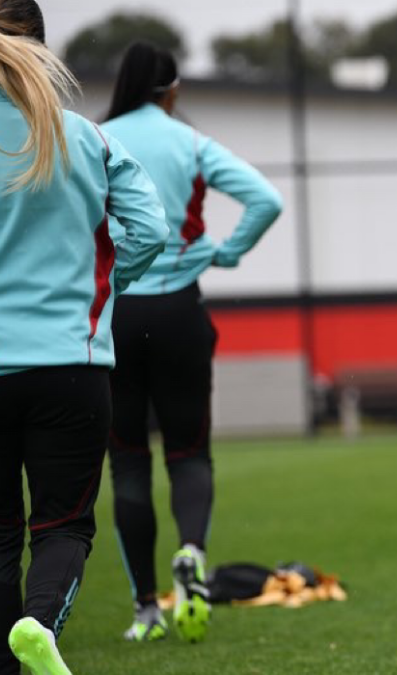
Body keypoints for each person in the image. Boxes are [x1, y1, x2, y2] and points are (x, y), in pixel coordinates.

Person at [0, 2, 168, 672]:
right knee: (63, 525)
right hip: (72, 361)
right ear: (43, 44)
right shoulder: (88, 139)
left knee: (1, 533)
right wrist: (98, 287)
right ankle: (37, 626)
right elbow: (150, 230)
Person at [100, 42, 283, 643]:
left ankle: (145, 609)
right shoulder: (191, 142)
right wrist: (225, 252)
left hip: (118, 316)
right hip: (181, 310)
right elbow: (266, 199)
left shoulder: (95, 138)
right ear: (173, 91)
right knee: (189, 454)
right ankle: (191, 554)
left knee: (128, 461)